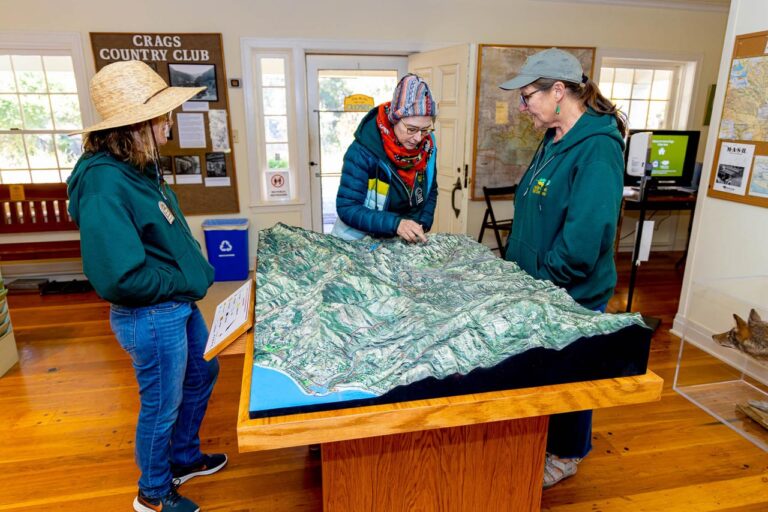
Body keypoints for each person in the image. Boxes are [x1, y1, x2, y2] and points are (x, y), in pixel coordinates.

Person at [67, 60, 227, 512]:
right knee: (161, 404)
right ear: (133, 125)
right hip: (151, 313)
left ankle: (183, 458)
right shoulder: (103, 182)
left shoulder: (136, 167)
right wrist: (184, 278)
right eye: (159, 116)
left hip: (174, 305)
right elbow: (120, 276)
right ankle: (153, 494)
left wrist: (186, 277)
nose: (168, 123)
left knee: (203, 372)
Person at [499, 48, 627, 488]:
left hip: (569, 294)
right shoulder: (553, 136)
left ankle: (568, 452)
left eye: (528, 95)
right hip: (536, 288)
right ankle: (540, 439)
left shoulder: (597, 149)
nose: (523, 105)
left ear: (559, 91)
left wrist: (540, 282)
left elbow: (583, 244)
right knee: (542, 374)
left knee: (571, 378)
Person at [332, 73, 438, 243]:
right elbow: (348, 207)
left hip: (400, 240)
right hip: (358, 242)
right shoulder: (361, 151)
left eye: (425, 129)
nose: (418, 138)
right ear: (395, 118)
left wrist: (421, 225)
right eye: (411, 129)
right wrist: (396, 224)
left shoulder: (428, 145)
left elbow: (430, 190)